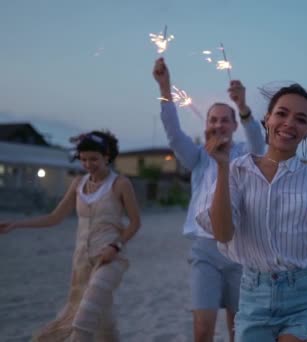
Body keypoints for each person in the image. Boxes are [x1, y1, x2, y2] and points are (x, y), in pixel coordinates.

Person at [197, 83, 307, 342]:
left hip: (305, 295)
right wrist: (223, 168)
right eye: (282, 113)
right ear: (267, 119)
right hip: (253, 296)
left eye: (301, 119)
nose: (289, 123)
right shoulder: (237, 170)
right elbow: (223, 233)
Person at [152, 57, 265, 342]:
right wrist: (165, 87)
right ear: (207, 124)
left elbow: (258, 141)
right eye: (213, 120)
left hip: (240, 252)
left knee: (239, 331)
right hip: (204, 251)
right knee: (202, 331)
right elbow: (174, 135)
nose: (218, 125)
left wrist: (242, 106)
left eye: (225, 120)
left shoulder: (245, 155)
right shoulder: (198, 157)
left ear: (234, 125)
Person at [0, 131, 141, 341]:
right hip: (81, 264)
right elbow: (55, 217)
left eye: (94, 159)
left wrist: (115, 246)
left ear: (107, 156)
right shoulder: (78, 184)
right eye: (83, 159)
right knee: (104, 324)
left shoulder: (120, 184)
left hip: (110, 259)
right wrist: (16, 224)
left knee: (82, 321)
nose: (88, 164)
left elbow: (135, 222)